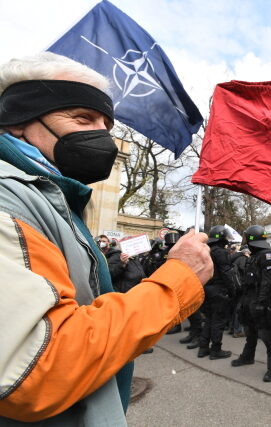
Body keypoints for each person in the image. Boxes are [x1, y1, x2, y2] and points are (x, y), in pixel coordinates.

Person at [0, 52, 212, 424]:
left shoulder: (53, 198)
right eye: (82, 118)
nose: (101, 133)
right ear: (19, 120)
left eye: (106, 123)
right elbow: (38, 369)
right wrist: (177, 279)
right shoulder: (8, 197)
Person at [231, 225, 271, 383]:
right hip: (249, 301)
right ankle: (247, 357)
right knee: (250, 333)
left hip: (261, 303)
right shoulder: (254, 256)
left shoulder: (267, 256)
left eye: (247, 237)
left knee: (268, 336)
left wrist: (261, 303)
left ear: (253, 239)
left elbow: (268, 282)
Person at [198, 226, 235, 359]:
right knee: (218, 321)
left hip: (206, 288)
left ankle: (203, 348)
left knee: (209, 319)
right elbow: (226, 273)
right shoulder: (220, 252)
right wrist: (233, 290)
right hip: (219, 290)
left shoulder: (206, 251)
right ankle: (215, 350)